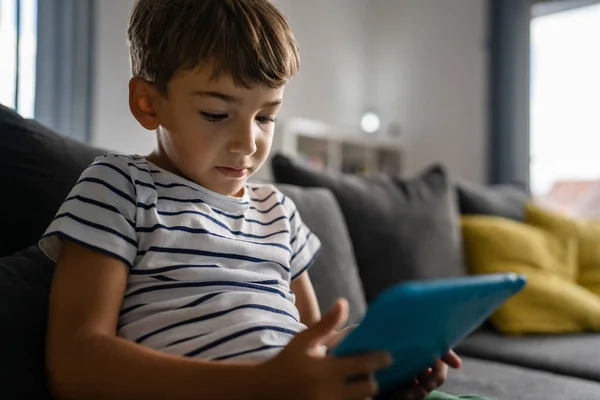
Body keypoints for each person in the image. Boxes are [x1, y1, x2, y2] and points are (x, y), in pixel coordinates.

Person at [39, 1, 487, 399]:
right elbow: (76, 362)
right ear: (148, 103)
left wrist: (383, 358)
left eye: (266, 115)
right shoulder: (120, 186)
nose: (247, 142)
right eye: (217, 114)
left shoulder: (279, 212)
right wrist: (261, 384)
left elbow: (311, 344)